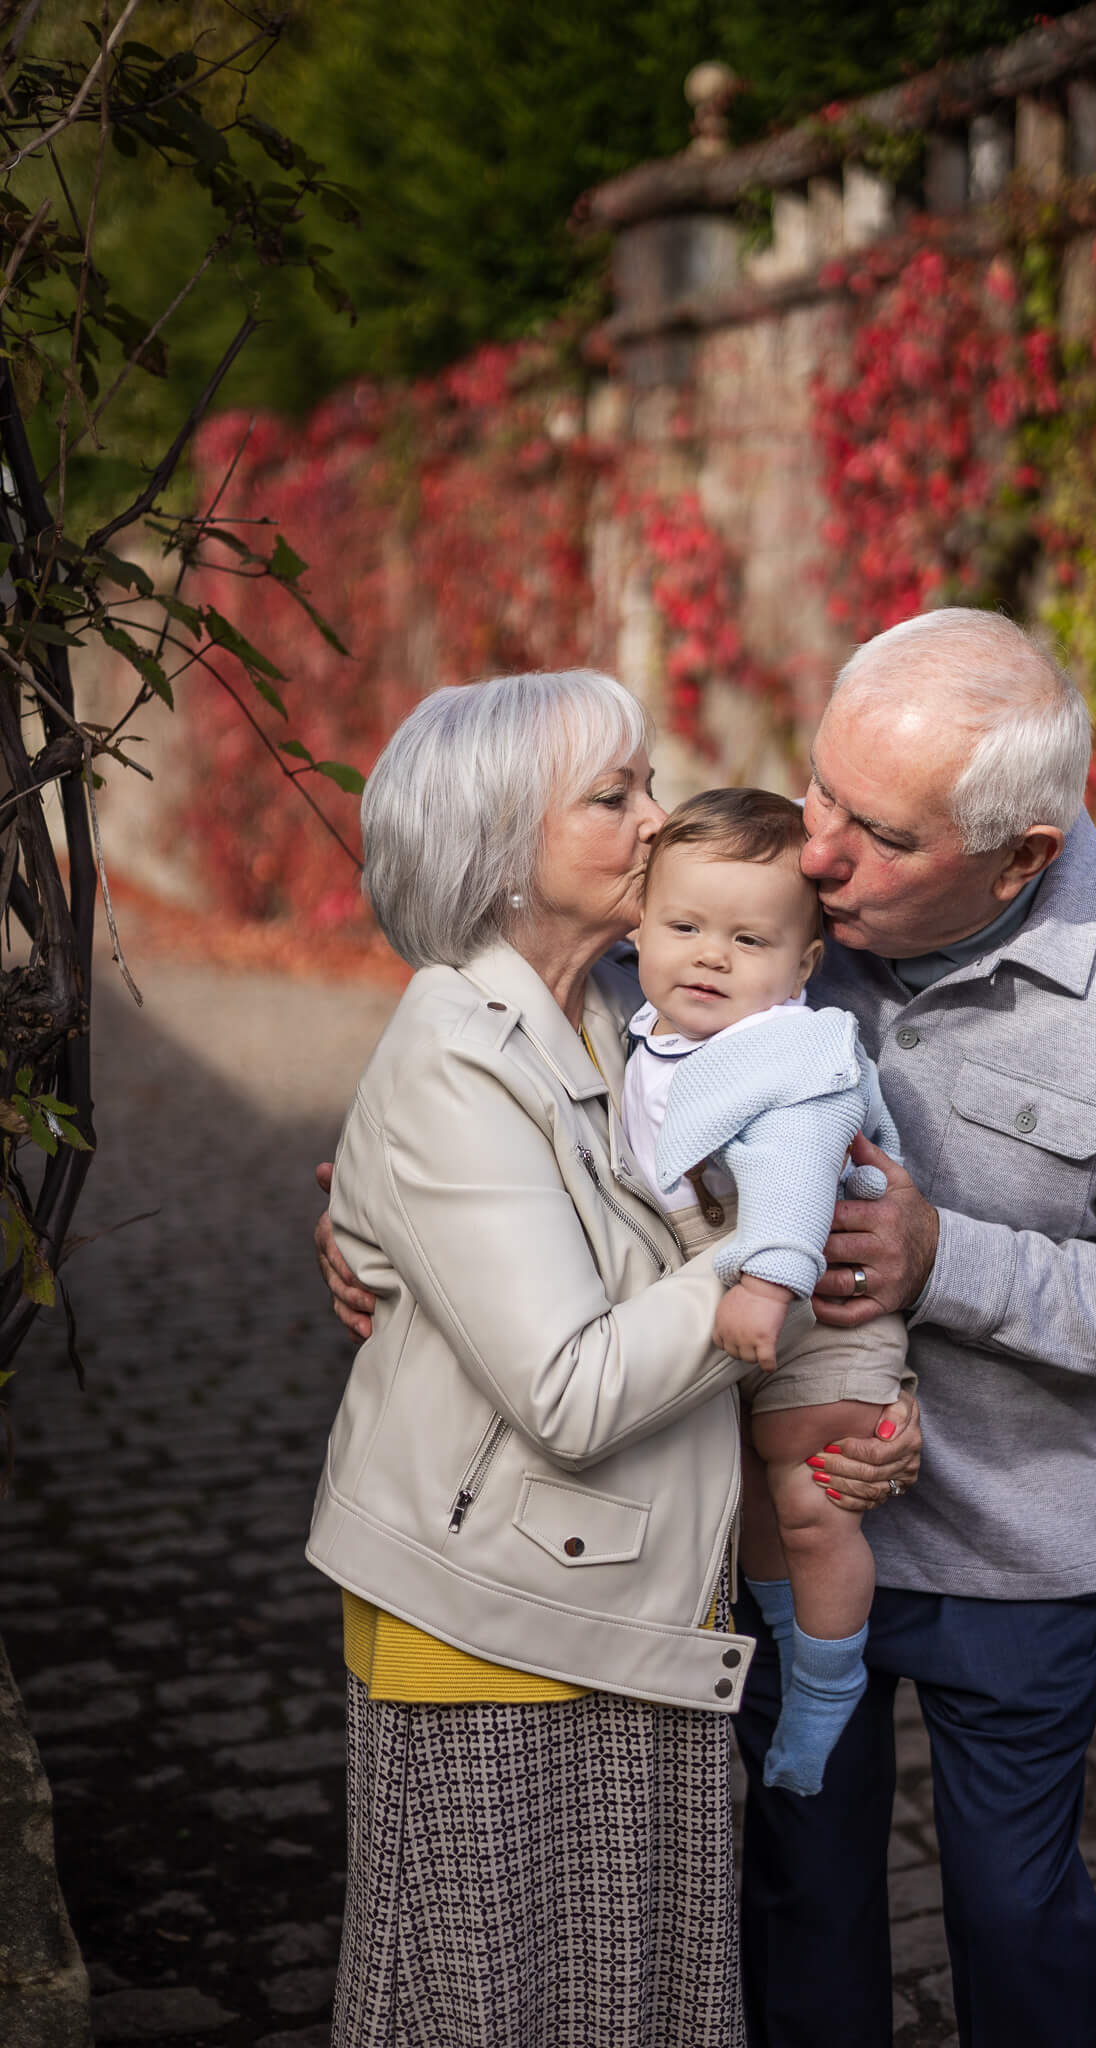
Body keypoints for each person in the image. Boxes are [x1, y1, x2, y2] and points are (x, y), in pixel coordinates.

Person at [317, 608, 1096, 2048]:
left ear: (1018, 857)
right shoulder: (738, 901)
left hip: (1013, 1546)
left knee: (1015, 1907)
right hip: (746, 1513)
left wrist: (942, 1259)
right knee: (796, 1896)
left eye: (877, 835)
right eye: (821, 791)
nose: (819, 854)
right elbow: (524, 1074)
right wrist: (374, 1220)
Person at [305, 667, 920, 2048]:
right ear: (497, 847)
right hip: (496, 1625)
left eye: (647, 784)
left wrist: (870, 1387)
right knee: (485, 2009)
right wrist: (780, 1241)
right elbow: (575, 1386)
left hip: (633, 1598)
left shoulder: (620, 1012)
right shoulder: (460, 1050)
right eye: (611, 795)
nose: (655, 819)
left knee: (628, 2004)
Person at [623, 785, 914, 1796]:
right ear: (637, 925)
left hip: (811, 1307)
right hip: (732, 1316)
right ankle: (794, 1653)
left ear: (802, 965)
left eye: (748, 940)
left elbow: (794, 1168)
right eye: (685, 927)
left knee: (812, 1497)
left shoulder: (791, 1049)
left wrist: (765, 1279)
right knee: (748, 1500)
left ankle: (828, 1690)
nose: (710, 956)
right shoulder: (646, 1032)